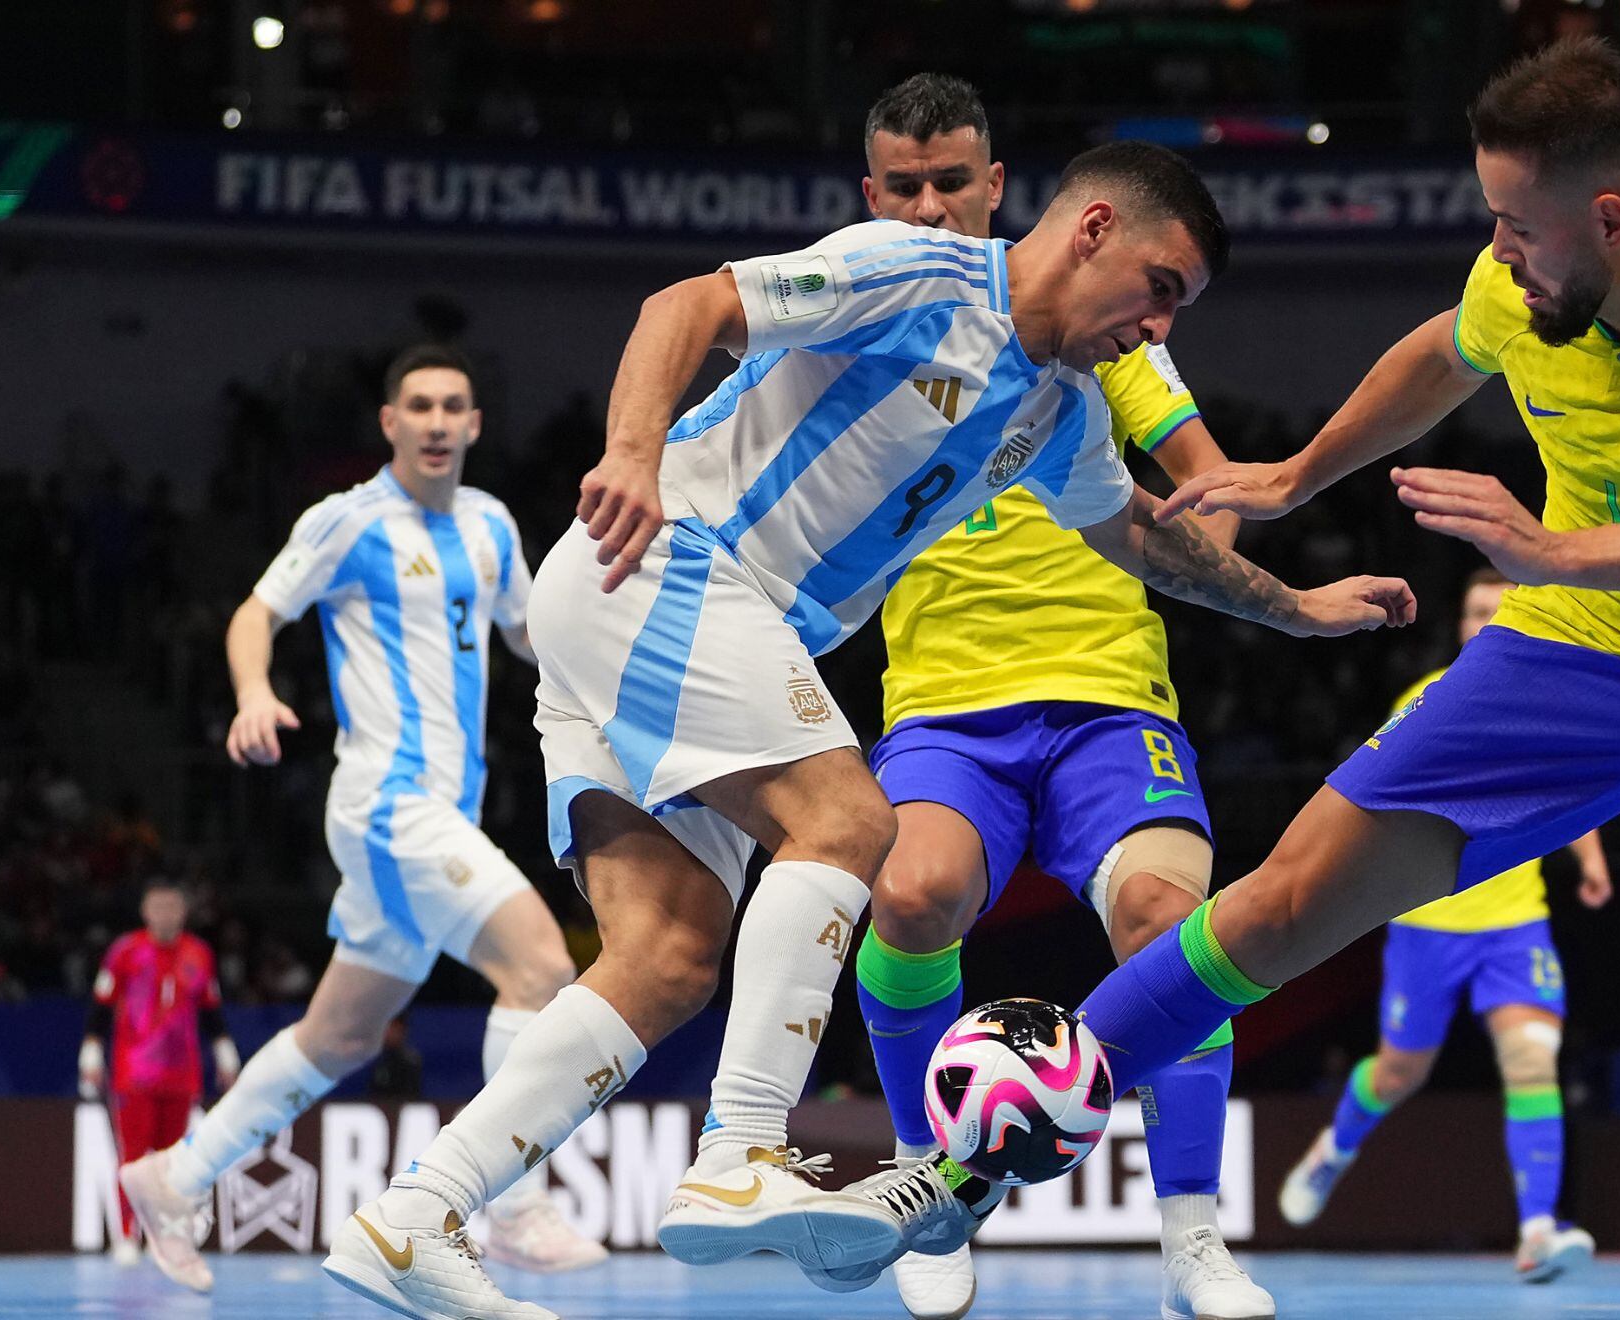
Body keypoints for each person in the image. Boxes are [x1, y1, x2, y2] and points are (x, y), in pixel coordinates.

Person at [827, 40, 1620, 1320]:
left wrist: (1549, 547)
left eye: (1514, 225)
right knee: (1277, 904)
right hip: (1571, 661)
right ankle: (958, 1179)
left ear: (1611, 217)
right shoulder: (1525, 283)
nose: (1497, 250)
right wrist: (1298, 474)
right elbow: (1440, 353)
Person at [321, 140, 1411, 1320]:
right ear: (1094, 227)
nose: (1156, 328)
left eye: (1177, 310)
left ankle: (416, 1213)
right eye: (1160, 287)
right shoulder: (922, 274)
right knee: (846, 821)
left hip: (674, 628)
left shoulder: (1060, 414)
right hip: (669, 563)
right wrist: (630, 453)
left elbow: (1149, 541)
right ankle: (738, 1150)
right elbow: (687, 305)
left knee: (669, 957)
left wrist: (1297, 610)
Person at [846, 74, 1269, 1320]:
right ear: (870, 198)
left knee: (1164, 914)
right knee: (912, 895)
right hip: (942, 704)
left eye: (952, 183)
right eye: (904, 187)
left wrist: (1180, 545)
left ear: (996, 189)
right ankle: (933, 1200)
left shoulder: (1105, 333)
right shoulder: (862, 330)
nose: (930, 205)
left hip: (1105, 695)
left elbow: (1214, 484)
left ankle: (1192, 1239)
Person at [121, 345, 604, 1295]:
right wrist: (253, 694)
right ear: (390, 423)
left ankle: (173, 1178)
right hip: (389, 806)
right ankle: (510, 1205)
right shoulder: (348, 522)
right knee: (541, 968)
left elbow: (527, 634)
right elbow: (255, 614)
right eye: (416, 405)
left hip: (441, 811)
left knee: (338, 1036)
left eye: (451, 406)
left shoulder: (493, 526)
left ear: (473, 425)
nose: (434, 421)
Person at [1277, 568, 1609, 1283]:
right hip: (1428, 923)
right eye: (1474, 610)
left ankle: (1538, 1230)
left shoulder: (1550, 703)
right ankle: (1334, 1148)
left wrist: (1590, 856)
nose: (1484, 621)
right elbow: (1375, 793)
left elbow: (1569, 782)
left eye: (1498, 611)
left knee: (1530, 1060)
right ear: (1460, 625)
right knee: (1400, 1071)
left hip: (1514, 922)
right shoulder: (1425, 699)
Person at [81, 879, 238, 1263]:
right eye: (158, 907)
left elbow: (211, 1010)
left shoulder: (199, 954)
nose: (166, 914)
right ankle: (125, 1236)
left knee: (172, 1162)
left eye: (173, 907)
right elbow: (102, 1005)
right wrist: (91, 1049)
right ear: (145, 911)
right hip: (134, 1073)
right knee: (133, 1157)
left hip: (182, 1074)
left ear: (183, 912)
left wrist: (224, 1052)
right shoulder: (125, 952)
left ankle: (162, 1237)